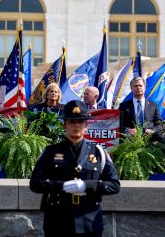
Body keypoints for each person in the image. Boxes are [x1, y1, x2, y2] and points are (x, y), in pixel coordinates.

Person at [30, 100, 120, 237]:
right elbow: (35, 183)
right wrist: (62, 186)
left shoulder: (98, 152)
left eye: (80, 121)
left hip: (89, 221)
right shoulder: (50, 152)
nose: (76, 125)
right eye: (71, 121)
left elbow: (114, 185)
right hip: (58, 221)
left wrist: (86, 186)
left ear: (86, 125)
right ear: (65, 125)